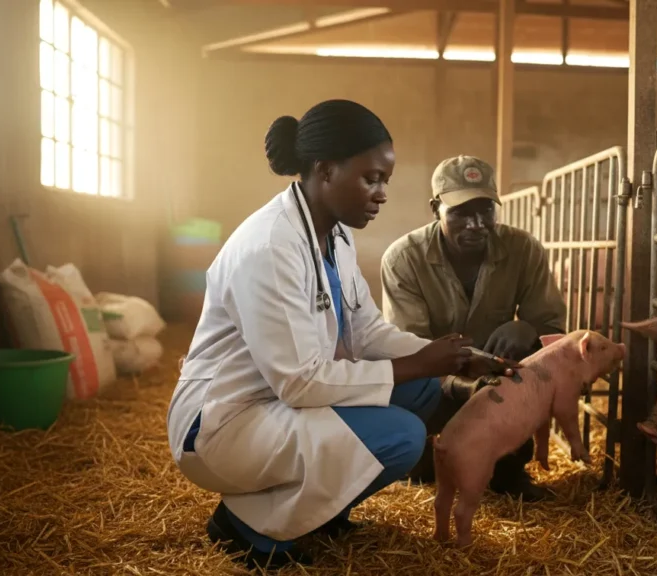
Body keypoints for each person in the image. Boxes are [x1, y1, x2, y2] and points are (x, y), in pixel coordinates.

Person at [165, 100, 486, 571]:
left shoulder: (333, 234)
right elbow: (298, 383)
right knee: (403, 436)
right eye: (370, 178)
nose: (381, 194)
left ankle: (321, 510)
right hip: (222, 423)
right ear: (326, 170)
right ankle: (246, 526)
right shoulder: (272, 246)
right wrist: (420, 362)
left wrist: (452, 356)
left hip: (272, 405)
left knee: (419, 390)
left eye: (386, 182)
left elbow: (365, 329)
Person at [380, 155, 567, 502]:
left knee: (530, 355)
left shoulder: (523, 250)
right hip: (436, 380)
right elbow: (410, 346)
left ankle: (510, 469)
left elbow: (552, 327)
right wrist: (463, 381)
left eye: (485, 211)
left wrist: (526, 327)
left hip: (500, 378)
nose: (476, 224)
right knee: (422, 478)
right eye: (461, 212)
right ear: (435, 208)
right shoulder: (404, 258)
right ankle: (424, 457)